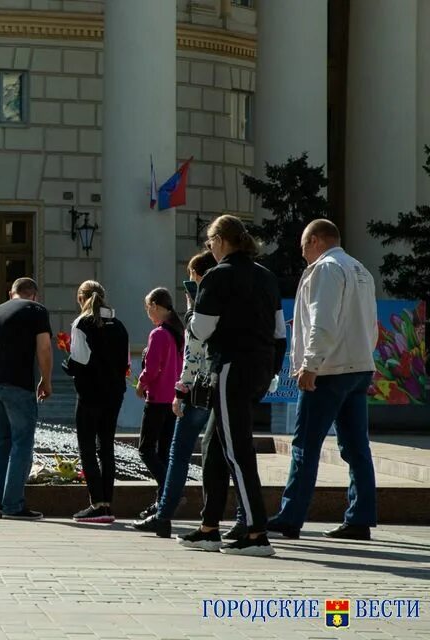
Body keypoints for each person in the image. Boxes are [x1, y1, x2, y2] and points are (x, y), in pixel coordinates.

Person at [178, 214, 286, 557]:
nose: (209, 248)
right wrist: (272, 372)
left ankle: (257, 532)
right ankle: (209, 528)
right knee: (213, 446)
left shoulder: (218, 276)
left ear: (222, 240)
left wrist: (190, 311)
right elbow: (280, 332)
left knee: (237, 450)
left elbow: (202, 330)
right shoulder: (266, 276)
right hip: (259, 366)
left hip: (230, 367)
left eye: (210, 242)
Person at [267, 219, 378, 541]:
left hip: (329, 370)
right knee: (357, 447)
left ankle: (290, 517)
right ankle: (360, 517)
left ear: (315, 240)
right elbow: (369, 324)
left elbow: (322, 322)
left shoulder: (325, 269)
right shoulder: (360, 269)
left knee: (305, 445)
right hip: (358, 367)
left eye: (303, 245)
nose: (302, 253)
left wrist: (310, 364)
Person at [132, 252, 248, 539]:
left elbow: (193, 354)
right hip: (229, 381)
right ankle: (244, 516)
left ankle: (164, 515)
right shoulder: (234, 299)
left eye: (192, 277)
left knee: (180, 452)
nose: (191, 284)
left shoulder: (201, 307)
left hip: (201, 387)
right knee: (228, 453)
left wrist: (180, 391)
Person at [0, 277, 53, 521]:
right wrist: (46, 379)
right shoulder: (36, 310)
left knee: (0, 440)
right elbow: (43, 347)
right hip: (17, 384)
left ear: (10, 293)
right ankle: (13, 505)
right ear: (34, 295)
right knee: (22, 442)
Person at [61, 280, 130, 523]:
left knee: (87, 447)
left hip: (90, 393)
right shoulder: (119, 325)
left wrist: (66, 365)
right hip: (115, 393)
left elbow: (79, 361)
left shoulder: (82, 323)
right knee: (106, 447)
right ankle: (107, 504)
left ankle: (97, 504)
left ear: (81, 298)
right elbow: (125, 363)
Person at [135, 287, 184, 518]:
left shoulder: (159, 333)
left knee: (145, 449)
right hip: (173, 400)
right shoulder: (178, 331)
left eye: (147, 308)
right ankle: (162, 504)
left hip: (156, 399)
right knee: (163, 452)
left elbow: (152, 369)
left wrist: (141, 383)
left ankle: (170, 492)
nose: (148, 313)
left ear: (155, 305)